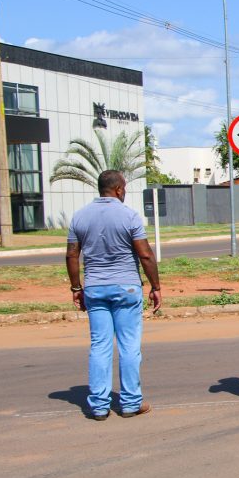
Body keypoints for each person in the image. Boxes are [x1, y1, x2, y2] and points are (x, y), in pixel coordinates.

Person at [66, 170, 161, 421]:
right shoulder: (129, 216)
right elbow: (145, 254)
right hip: (127, 288)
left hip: (95, 288)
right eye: (125, 188)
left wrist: (77, 288)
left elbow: (72, 255)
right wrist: (156, 286)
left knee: (100, 345)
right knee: (129, 346)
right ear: (118, 189)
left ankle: (99, 406)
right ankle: (130, 403)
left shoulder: (80, 216)